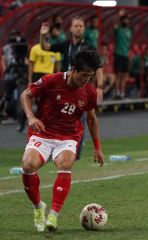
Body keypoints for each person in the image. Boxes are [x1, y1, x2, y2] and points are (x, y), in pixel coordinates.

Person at [20, 49, 104, 232]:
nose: (87, 80)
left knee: (65, 163)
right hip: (43, 133)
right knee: (27, 165)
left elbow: (91, 118)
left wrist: (97, 147)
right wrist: (31, 117)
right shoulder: (52, 81)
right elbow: (26, 95)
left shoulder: (89, 92)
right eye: (84, 76)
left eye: (90, 77)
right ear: (73, 69)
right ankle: (38, 207)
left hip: (68, 137)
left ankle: (53, 216)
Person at [40, 16, 104, 160]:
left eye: (81, 26)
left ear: (84, 29)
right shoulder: (65, 45)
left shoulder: (88, 46)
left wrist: (99, 87)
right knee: (58, 118)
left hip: (81, 88)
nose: (78, 28)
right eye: (75, 26)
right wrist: (43, 35)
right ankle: (53, 148)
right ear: (70, 28)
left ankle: (75, 153)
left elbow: (98, 68)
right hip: (65, 87)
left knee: (80, 121)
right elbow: (45, 47)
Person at [114, 9, 132, 99]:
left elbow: (129, 43)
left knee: (124, 76)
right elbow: (114, 25)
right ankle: (117, 92)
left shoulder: (129, 31)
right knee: (118, 75)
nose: (126, 21)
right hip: (118, 54)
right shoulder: (118, 29)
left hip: (126, 56)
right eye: (124, 19)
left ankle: (122, 93)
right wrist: (119, 15)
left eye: (127, 20)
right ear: (121, 21)